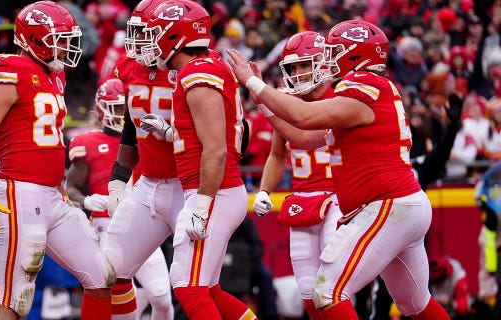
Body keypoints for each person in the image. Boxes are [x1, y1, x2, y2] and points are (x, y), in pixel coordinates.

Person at [226, 20, 450, 319]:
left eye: (334, 51)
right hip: (401, 205)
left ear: (356, 55)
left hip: (386, 205)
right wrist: (264, 103)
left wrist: (255, 84)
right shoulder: (369, 90)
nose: (328, 59)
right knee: (415, 304)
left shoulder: (363, 86)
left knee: (327, 292)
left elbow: (304, 118)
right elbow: (303, 138)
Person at [0, 2, 114, 319]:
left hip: (51, 194)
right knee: (14, 301)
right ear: (33, 39)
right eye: (57, 39)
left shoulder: (52, 77)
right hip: (20, 193)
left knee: (101, 276)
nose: (65, 46)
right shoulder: (11, 71)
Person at [137, 1, 257, 318]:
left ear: (173, 36)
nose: (149, 42)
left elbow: (216, 147)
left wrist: (202, 204)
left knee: (188, 287)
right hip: (219, 189)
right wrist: (168, 133)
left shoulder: (197, 75)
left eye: (154, 33)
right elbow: (205, 135)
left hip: (213, 191)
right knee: (208, 289)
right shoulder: (207, 66)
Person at [252, 31, 342, 320]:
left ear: (323, 63)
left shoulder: (342, 98)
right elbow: (278, 155)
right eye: (293, 67)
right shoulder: (286, 101)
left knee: (333, 287)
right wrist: (264, 190)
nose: (298, 73)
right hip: (303, 201)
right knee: (308, 292)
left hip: (341, 199)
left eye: (304, 64)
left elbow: (306, 133)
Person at [67, 77, 174, 320]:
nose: (122, 114)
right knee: (120, 293)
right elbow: (70, 187)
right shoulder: (87, 142)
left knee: (161, 297)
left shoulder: (145, 138)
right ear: (101, 110)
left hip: (142, 223)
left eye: (124, 107)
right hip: (105, 226)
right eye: (116, 108)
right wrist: (85, 201)